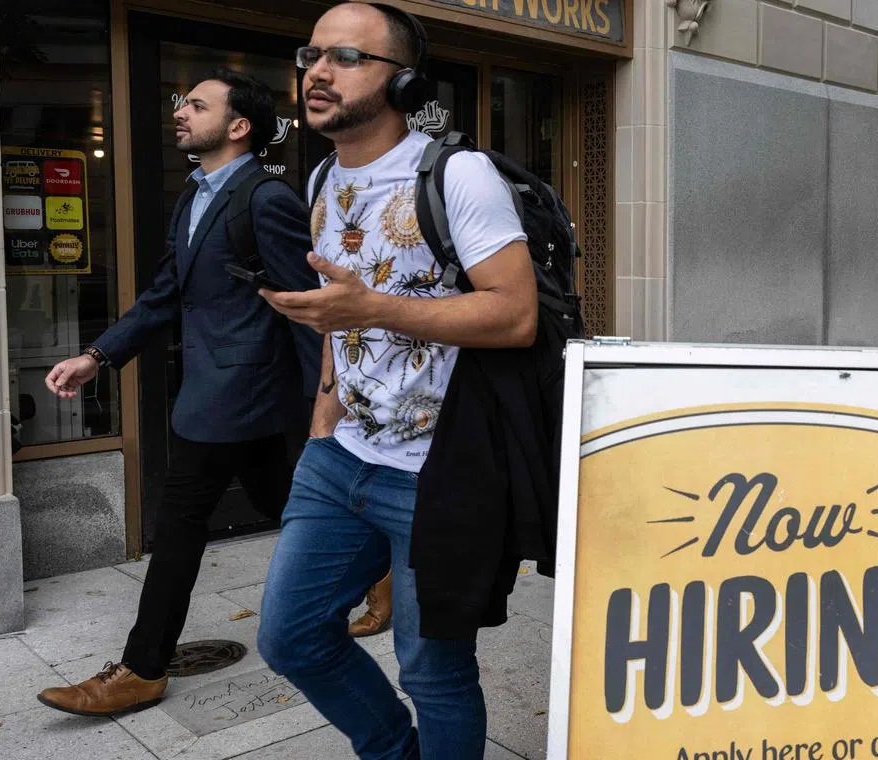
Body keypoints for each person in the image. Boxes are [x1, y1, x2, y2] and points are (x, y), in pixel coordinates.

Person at [254, 2, 537, 758]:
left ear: (404, 83)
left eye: (345, 57)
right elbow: (336, 320)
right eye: (310, 53)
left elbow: (515, 315)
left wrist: (371, 306)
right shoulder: (319, 178)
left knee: (434, 671)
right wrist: (324, 420)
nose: (317, 70)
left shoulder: (456, 173)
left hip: (439, 472)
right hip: (339, 456)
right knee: (290, 639)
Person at [36, 69, 323, 717]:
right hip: (216, 394)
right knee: (288, 504)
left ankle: (142, 667)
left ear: (240, 126)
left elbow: (308, 310)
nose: (181, 112)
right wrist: (97, 355)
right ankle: (378, 573)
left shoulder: (266, 199)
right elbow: (167, 292)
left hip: (240, 396)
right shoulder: (194, 193)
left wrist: (323, 408)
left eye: (197, 104)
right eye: (181, 102)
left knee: (178, 525)